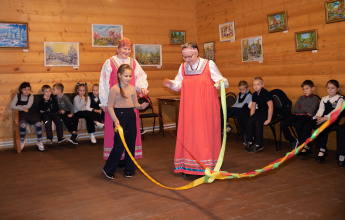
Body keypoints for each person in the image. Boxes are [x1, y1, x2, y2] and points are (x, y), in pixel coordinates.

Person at [163, 42, 229, 176]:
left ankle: (206, 166)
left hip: (206, 107)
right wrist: (171, 84)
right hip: (188, 108)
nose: (187, 60)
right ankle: (188, 166)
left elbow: (222, 82)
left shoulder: (209, 64)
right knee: (189, 135)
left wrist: (221, 82)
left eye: (189, 57)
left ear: (197, 53)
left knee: (204, 135)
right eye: (184, 57)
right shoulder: (182, 67)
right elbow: (178, 86)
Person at [99, 37, 148, 161]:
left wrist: (142, 88)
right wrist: (104, 101)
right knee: (116, 131)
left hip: (130, 102)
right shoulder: (110, 62)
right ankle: (116, 158)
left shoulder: (134, 62)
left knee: (130, 133)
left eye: (129, 49)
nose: (126, 51)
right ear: (118, 49)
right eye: (124, 49)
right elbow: (104, 82)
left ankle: (128, 158)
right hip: (115, 103)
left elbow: (140, 77)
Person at [103, 64, 148, 179]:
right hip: (119, 116)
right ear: (119, 75)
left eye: (129, 76)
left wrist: (141, 106)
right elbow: (110, 106)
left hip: (131, 116)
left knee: (130, 143)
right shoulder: (115, 89)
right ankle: (108, 169)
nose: (128, 78)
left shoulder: (132, 88)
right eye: (126, 76)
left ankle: (129, 169)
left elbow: (135, 105)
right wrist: (115, 119)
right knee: (119, 144)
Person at [279, 80, 319, 151]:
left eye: (307, 88)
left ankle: (302, 144)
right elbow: (294, 109)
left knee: (299, 125)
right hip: (296, 115)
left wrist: (300, 106)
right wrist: (305, 110)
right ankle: (293, 140)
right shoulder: (301, 98)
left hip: (306, 117)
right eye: (303, 89)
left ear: (312, 89)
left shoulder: (315, 99)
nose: (305, 91)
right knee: (282, 124)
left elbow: (312, 111)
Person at [312, 80, 344, 163]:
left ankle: (322, 149)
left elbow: (336, 111)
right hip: (323, 118)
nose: (330, 90)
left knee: (323, 126)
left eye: (332, 88)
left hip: (333, 119)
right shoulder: (324, 98)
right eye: (328, 88)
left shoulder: (340, 99)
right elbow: (321, 109)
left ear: (337, 89)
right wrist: (318, 117)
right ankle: (319, 147)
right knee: (315, 124)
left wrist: (325, 118)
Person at [10, 82, 44, 151]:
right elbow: (11, 106)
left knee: (38, 124)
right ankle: (22, 140)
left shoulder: (31, 96)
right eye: (25, 89)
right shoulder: (17, 96)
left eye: (28, 89)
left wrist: (18, 106)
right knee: (22, 125)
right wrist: (22, 108)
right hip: (22, 115)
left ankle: (39, 141)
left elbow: (28, 106)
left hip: (31, 114)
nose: (27, 91)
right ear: (21, 89)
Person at [244, 77, 273, 153]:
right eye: (254, 85)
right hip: (260, 111)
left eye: (258, 84)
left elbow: (271, 106)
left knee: (258, 123)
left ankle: (259, 144)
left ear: (262, 85)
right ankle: (250, 142)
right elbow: (253, 106)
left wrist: (269, 119)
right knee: (249, 121)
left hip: (267, 112)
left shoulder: (266, 93)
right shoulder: (255, 94)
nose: (256, 86)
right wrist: (252, 117)